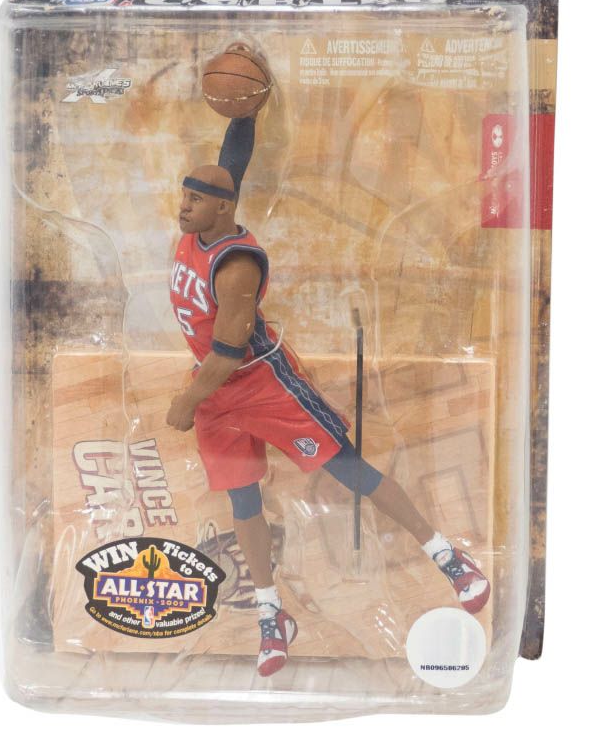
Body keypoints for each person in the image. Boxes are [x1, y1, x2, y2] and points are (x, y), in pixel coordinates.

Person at [166, 62, 489, 677]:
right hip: (216, 393)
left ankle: (446, 555)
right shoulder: (205, 223)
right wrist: (245, 112)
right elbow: (232, 162)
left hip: (259, 383)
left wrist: (186, 402)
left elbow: (228, 353)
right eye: (183, 197)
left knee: (349, 470)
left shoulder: (236, 265)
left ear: (222, 209)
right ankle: (272, 614)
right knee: (242, 501)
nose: (182, 209)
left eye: (194, 200)